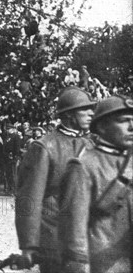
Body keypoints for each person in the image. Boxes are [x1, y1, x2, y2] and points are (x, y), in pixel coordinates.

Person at [15, 86, 96, 272]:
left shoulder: (91, 144)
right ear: (68, 115)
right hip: (54, 238)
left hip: (85, 238)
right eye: (85, 109)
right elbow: (29, 198)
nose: (92, 113)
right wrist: (28, 245)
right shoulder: (44, 147)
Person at [59, 95, 133, 273]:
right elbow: (74, 225)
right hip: (104, 264)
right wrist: (78, 265)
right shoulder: (83, 165)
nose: (132, 127)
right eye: (123, 121)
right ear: (102, 126)